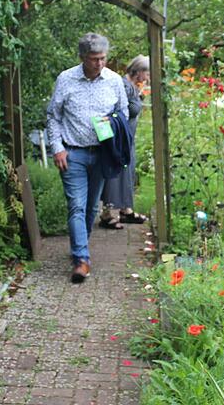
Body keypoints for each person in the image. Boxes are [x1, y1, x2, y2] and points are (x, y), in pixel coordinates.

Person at [46, 33, 128, 283]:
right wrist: (57, 147)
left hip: (101, 154)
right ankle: (81, 259)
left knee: (92, 208)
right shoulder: (66, 79)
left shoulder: (114, 81)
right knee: (77, 206)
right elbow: (53, 116)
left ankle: (80, 247)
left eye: (103, 58)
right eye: (94, 59)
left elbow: (123, 111)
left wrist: (112, 123)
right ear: (82, 58)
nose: (99, 63)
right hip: (73, 153)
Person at [99, 55, 150, 229]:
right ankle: (107, 213)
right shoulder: (123, 85)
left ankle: (126, 210)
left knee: (127, 174)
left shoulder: (131, 86)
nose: (148, 77)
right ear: (139, 72)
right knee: (115, 175)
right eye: (147, 73)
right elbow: (112, 111)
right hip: (119, 140)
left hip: (127, 139)